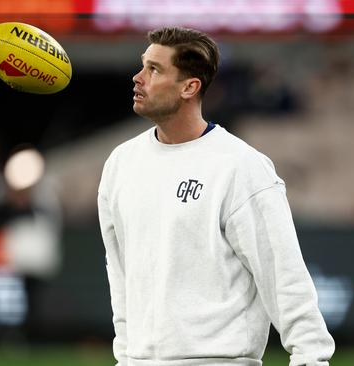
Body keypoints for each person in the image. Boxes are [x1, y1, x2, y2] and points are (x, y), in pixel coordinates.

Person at [97, 27, 334, 366]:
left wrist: (312, 357)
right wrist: (126, 355)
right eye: (143, 65)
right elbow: (119, 274)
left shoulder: (240, 167)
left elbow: (283, 273)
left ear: (189, 87)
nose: (138, 78)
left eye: (154, 69)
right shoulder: (120, 163)